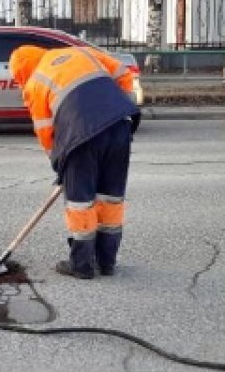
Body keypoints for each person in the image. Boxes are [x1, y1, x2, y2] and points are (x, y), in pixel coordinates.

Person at [9, 45, 139, 279]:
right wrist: (123, 112)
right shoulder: (80, 52)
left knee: (81, 203)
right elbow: (124, 74)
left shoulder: (35, 83)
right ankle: (107, 262)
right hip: (120, 127)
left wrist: (59, 164)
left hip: (81, 139)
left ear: (21, 73)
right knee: (111, 199)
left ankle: (82, 266)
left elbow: (46, 132)